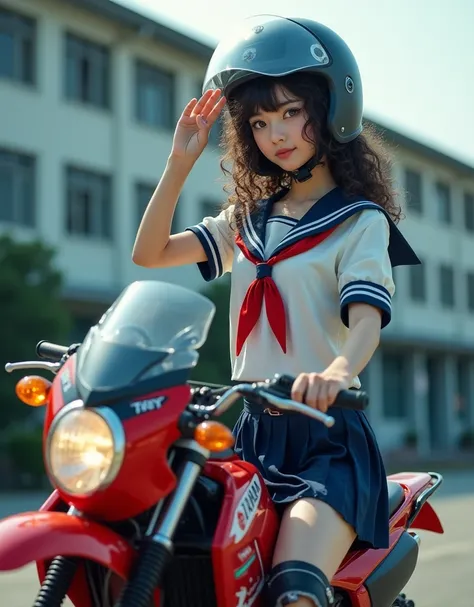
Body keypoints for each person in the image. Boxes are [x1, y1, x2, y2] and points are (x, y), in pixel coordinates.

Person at [132, 15, 420, 607]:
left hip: (325, 438)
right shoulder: (247, 220)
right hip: (246, 434)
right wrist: (178, 164)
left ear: (329, 106)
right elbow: (149, 252)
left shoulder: (359, 221)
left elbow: (366, 317)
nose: (277, 134)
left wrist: (338, 373)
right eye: (259, 122)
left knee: (291, 591)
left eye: (291, 111)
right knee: (179, 570)